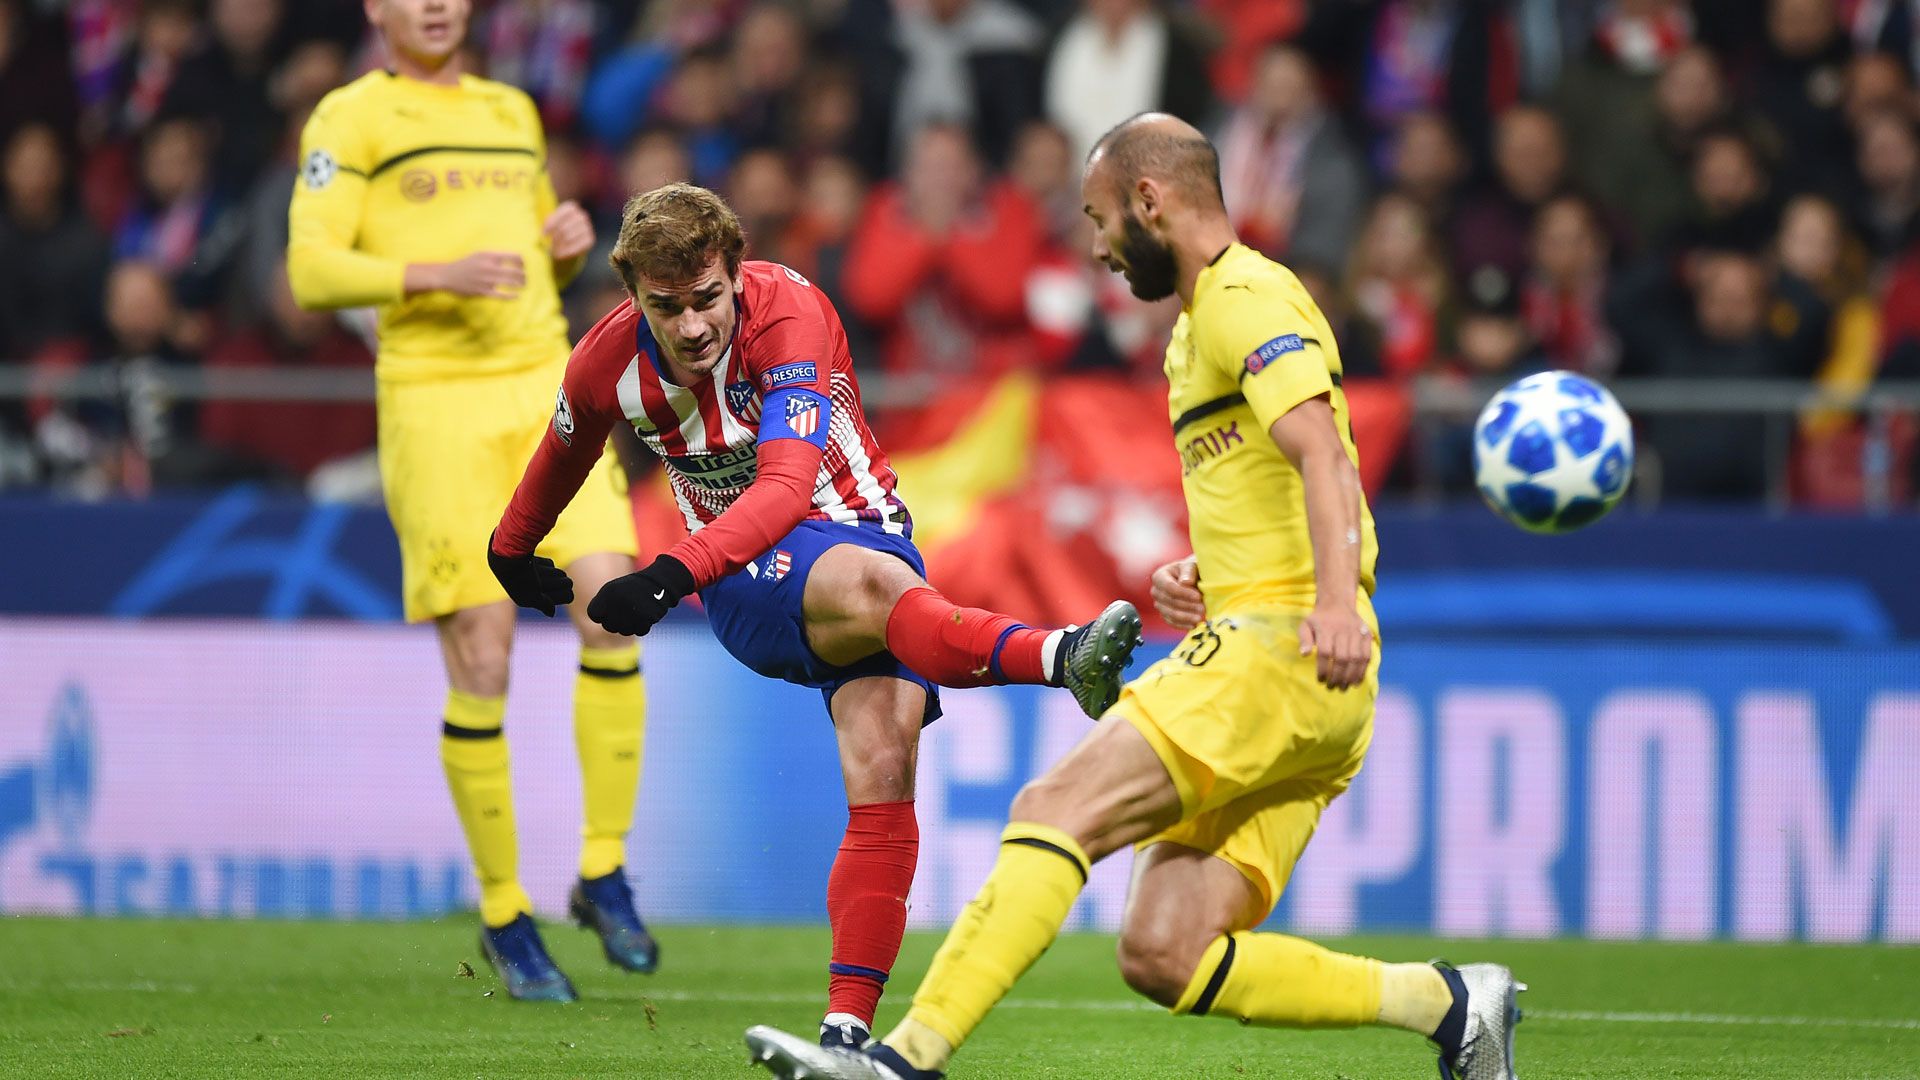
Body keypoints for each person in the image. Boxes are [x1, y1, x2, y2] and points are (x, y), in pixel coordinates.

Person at [741, 113, 1526, 1080]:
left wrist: (1324, 602)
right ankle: (1454, 1005)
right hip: (1307, 673)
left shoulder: (1245, 293)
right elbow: (1289, 474)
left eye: (1102, 218)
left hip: (1284, 646)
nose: (1100, 247)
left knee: (1054, 804)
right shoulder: (1206, 323)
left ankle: (902, 1061)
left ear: (1150, 201)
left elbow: (1323, 453)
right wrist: (1213, 574)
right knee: (1164, 952)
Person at [487, 182, 1145, 1049]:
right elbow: (563, 449)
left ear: (735, 272)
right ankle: (1062, 656)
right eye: (665, 306)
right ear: (632, 294)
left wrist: (665, 576)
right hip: (747, 578)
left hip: (852, 539)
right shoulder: (606, 360)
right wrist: (511, 546)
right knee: (882, 599)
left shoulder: (790, 312)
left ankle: (843, 1036)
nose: (690, 327)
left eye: (706, 300)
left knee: (883, 768)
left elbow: (789, 486)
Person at [284, 0, 652, 1004]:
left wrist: (569, 248)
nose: (438, 5)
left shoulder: (510, 111)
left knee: (614, 608)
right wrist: (428, 273)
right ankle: (503, 914)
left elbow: (543, 259)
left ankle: (604, 868)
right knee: (482, 653)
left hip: (543, 385)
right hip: (434, 402)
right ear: (377, 10)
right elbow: (311, 268)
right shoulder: (350, 119)